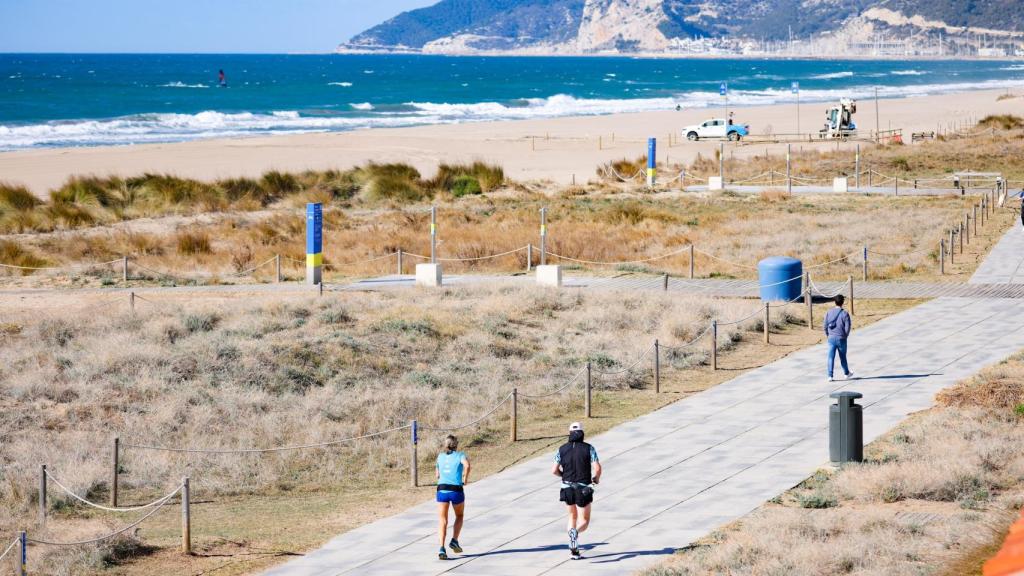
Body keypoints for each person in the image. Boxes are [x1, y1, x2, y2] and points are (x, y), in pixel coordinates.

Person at [552, 422, 602, 559]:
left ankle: (573, 550)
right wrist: (596, 479)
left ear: (569, 433)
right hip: (583, 488)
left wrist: (563, 476)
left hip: (566, 487)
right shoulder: (589, 448)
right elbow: (597, 468)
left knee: (571, 516)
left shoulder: (561, 449)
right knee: (584, 521)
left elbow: (554, 470)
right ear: (582, 434)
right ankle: (575, 533)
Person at [436, 435, 469, 560]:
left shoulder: (440, 457)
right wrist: (465, 479)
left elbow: (437, 475)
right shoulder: (460, 455)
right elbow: (467, 465)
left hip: (442, 489)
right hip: (456, 490)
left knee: (442, 520)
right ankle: (454, 540)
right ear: (456, 445)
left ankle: (441, 548)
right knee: (459, 516)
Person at [824, 294, 853, 382]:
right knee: (843, 357)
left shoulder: (829, 312)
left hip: (831, 338)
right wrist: (845, 336)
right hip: (841, 338)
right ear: (842, 302)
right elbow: (847, 327)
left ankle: (830, 375)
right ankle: (846, 373)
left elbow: (825, 325)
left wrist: (828, 334)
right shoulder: (845, 313)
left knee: (830, 357)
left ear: (835, 302)